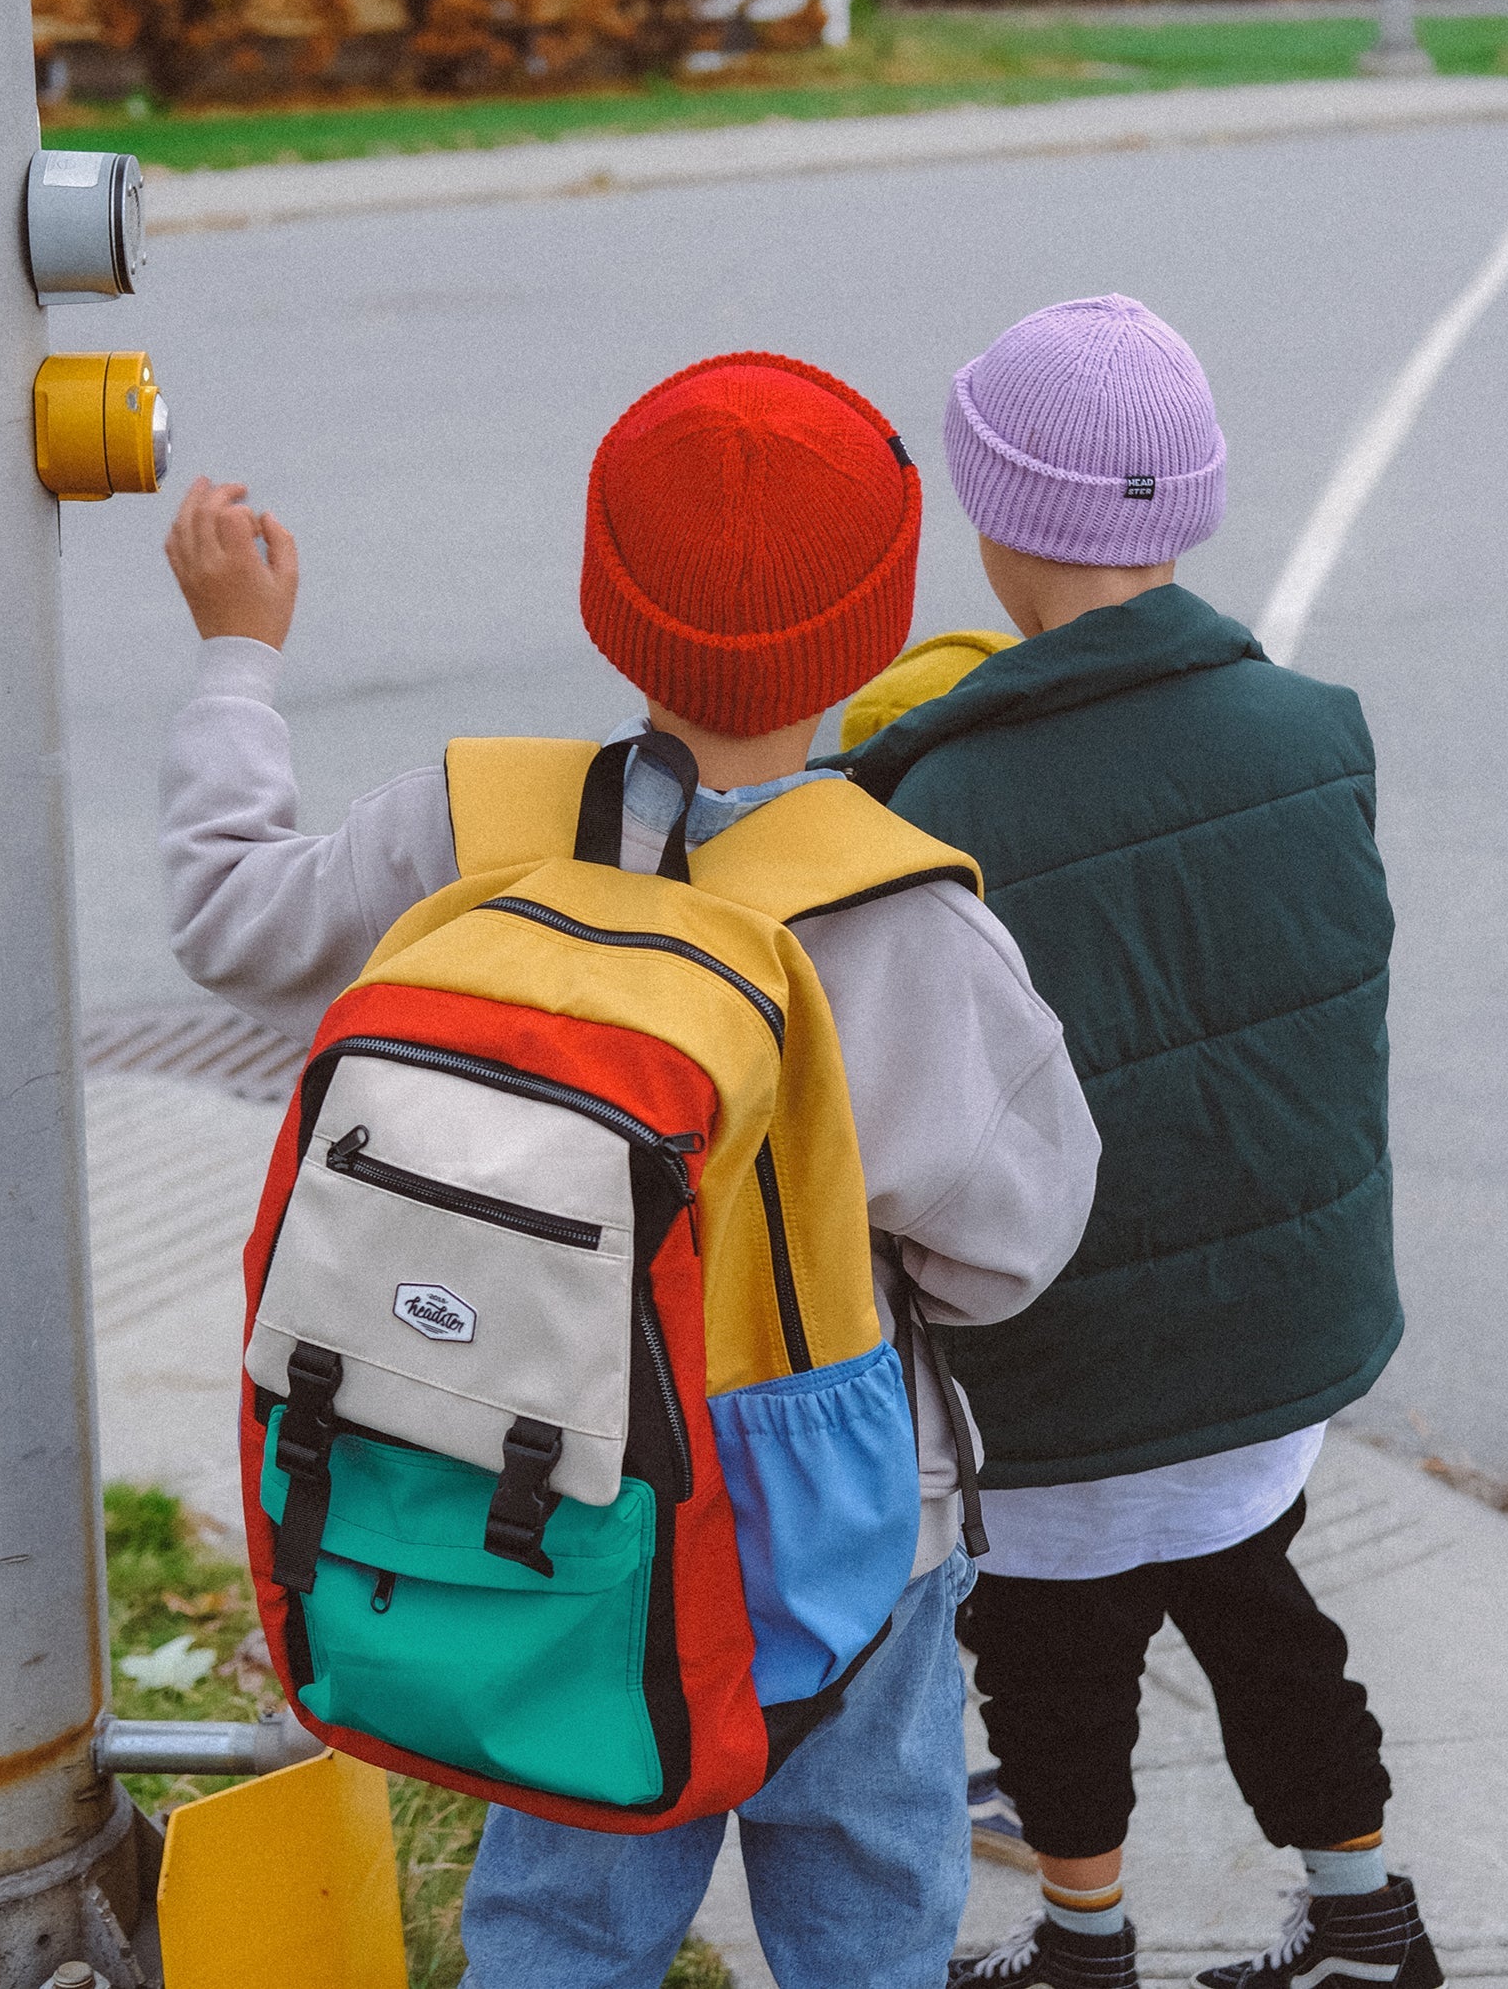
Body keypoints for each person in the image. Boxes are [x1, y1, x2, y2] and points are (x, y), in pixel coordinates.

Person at [158, 350, 1100, 1989]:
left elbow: (229, 920)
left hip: (533, 1463)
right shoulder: (901, 918)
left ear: (607, 596)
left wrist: (238, 659)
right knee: (869, 1897)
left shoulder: (473, 826)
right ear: (879, 625)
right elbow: (1013, 1246)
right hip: (842, 1506)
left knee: (567, 1899)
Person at [837, 297, 1444, 1989]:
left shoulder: (931, 803)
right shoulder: (1315, 729)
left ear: (989, 512)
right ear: (1192, 507)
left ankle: (1084, 1944)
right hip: (1274, 1337)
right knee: (1267, 1625)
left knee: (1049, 1664)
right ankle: (1365, 1921)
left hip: (1058, 1367)